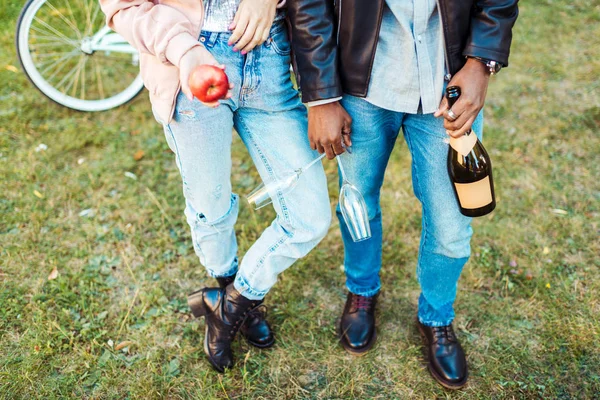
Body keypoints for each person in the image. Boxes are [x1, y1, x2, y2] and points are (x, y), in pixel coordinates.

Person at [288, 0, 518, 389]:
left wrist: (481, 60)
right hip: (359, 86)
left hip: (449, 86)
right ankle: (361, 290)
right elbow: (307, 5)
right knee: (358, 202)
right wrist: (321, 95)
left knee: (450, 223)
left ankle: (437, 316)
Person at [100, 0, 332, 373]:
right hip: (190, 61)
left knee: (310, 217)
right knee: (211, 206)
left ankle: (231, 304)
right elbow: (124, 7)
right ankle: (227, 286)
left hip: (269, 60)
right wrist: (185, 51)